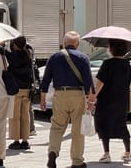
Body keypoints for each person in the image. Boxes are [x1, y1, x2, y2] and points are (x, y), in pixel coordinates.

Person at [40, 31, 95, 168]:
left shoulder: (54, 57)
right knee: (77, 129)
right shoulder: (83, 57)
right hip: (77, 95)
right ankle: (77, 161)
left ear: (64, 43)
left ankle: (53, 152)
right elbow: (89, 82)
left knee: (57, 126)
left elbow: (45, 80)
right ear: (77, 44)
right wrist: (91, 101)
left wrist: (42, 100)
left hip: (60, 95)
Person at [93, 38, 131, 163]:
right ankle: (128, 152)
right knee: (121, 124)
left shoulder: (107, 63)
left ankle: (106, 153)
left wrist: (93, 97)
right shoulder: (127, 65)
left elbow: (100, 82)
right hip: (122, 100)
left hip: (106, 100)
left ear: (111, 49)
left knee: (103, 124)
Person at [0, 36, 34, 150]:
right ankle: (25, 140)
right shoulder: (28, 55)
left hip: (16, 89)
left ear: (14, 44)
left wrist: (4, 40)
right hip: (27, 89)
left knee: (15, 116)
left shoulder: (12, 56)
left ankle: (16, 140)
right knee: (25, 115)